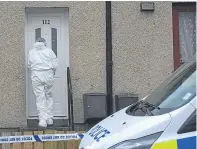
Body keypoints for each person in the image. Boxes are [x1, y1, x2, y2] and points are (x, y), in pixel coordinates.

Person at [28, 38, 58, 127]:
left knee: (40, 97)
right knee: (48, 95)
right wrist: (52, 73)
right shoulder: (49, 51)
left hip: (36, 75)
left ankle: (42, 120)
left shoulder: (31, 52)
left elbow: (29, 65)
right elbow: (55, 64)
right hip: (48, 75)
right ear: (45, 43)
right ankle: (49, 118)